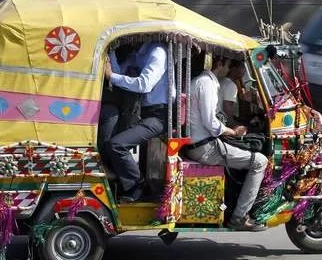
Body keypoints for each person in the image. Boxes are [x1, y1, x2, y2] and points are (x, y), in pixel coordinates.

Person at [184, 54, 268, 231]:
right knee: (260, 161)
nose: (229, 69)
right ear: (219, 64)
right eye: (228, 65)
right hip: (204, 147)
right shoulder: (205, 84)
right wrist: (233, 132)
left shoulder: (205, 82)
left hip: (205, 143)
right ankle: (239, 218)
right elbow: (211, 122)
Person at [104, 41, 174, 203]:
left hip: (158, 115)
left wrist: (112, 77)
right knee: (107, 142)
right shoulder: (138, 54)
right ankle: (122, 183)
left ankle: (137, 184)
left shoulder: (157, 52)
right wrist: (111, 51)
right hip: (139, 113)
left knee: (117, 145)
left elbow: (144, 84)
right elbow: (119, 73)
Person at [219, 59, 246, 124]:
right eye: (243, 68)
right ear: (234, 69)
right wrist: (233, 126)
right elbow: (227, 110)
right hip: (224, 122)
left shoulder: (222, 81)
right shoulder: (231, 85)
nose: (244, 71)